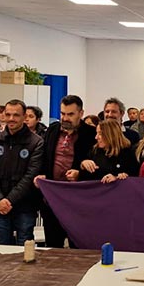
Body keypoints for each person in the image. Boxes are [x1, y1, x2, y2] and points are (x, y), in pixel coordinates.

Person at [33, 95, 97, 248]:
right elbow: (44, 157)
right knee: (53, 245)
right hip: (52, 197)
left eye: (70, 114)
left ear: (81, 113)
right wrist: (40, 175)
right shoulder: (53, 129)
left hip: (77, 200)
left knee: (78, 246)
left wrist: (80, 173)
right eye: (62, 113)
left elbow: (97, 165)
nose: (65, 118)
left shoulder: (91, 134)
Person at [0, 99, 44, 246]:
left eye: (16, 115)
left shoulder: (36, 142)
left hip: (25, 205)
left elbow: (30, 175)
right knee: (2, 248)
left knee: (25, 248)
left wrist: (9, 200)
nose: (11, 118)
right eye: (8, 114)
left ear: (24, 117)